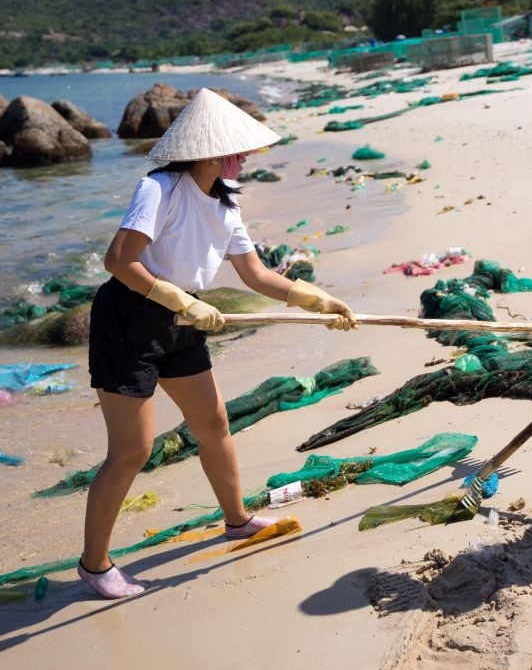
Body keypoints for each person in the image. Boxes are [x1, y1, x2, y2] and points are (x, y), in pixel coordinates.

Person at [78, 88, 358, 598]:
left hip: (183, 318)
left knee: (212, 424)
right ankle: (95, 565)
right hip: (131, 319)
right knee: (132, 450)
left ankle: (237, 520)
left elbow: (256, 275)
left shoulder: (227, 203)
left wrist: (318, 301)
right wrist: (181, 302)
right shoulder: (159, 188)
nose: (245, 157)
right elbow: (120, 261)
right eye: (237, 148)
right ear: (208, 152)